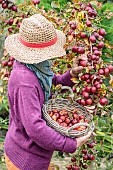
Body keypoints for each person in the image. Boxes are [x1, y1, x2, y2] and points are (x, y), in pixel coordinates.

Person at [4, 14, 92, 170]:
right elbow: (35, 128)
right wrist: (71, 143)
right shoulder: (25, 82)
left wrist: (71, 75)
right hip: (26, 160)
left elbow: (50, 80)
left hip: (33, 153)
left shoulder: (35, 67)